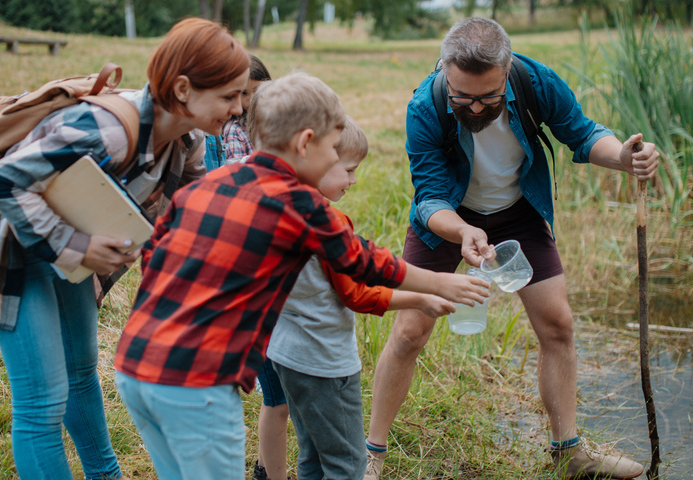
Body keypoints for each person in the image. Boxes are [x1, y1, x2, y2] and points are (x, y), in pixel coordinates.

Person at [113, 72, 489, 480]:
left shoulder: (212, 182)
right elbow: (364, 261)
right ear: (305, 142)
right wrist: (439, 282)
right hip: (198, 382)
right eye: (331, 147)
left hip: (134, 367)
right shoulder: (298, 201)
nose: (334, 159)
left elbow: (153, 255)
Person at [364, 17, 660, 480]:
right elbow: (429, 198)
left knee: (558, 325)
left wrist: (622, 156)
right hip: (448, 218)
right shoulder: (427, 104)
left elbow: (582, 135)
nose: (475, 107)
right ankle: (372, 454)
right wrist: (461, 232)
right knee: (409, 333)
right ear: (445, 70)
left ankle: (569, 455)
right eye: (463, 96)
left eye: (487, 97)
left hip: (517, 210)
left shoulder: (534, 80)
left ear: (507, 72)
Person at [0, 18, 251, 480]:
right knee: (42, 402)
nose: (237, 110)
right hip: (15, 248)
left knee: (80, 373)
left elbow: (190, 223)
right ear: (183, 89)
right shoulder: (108, 130)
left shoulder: (188, 142)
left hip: (72, 254)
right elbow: (2, 182)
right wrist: (80, 246)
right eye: (230, 96)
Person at [266, 115, 453, 480]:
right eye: (348, 170)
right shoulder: (326, 222)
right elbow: (357, 294)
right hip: (323, 361)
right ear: (315, 158)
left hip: (285, 353)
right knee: (346, 463)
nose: (354, 180)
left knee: (312, 454)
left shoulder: (275, 207)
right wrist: (420, 298)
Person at [200, 54, 292, 480]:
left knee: (276, 397)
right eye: (241, 98)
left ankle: (264, 468)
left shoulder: (273, 136)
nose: (247, 109)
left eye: (256, 97)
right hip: (249, 286)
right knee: (272, 395)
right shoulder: (237, 138)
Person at [204, 54, 273, 171]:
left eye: (257, 90)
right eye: (243, 93)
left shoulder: (274, 119)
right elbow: (238, 172)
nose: (252, 99)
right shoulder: (235, 130)